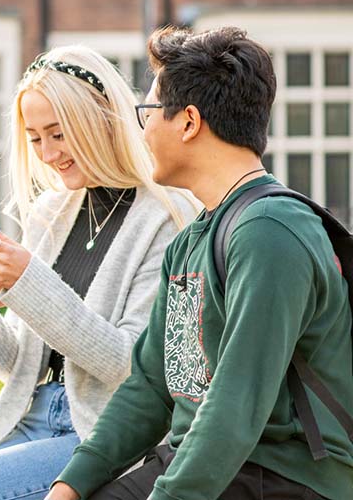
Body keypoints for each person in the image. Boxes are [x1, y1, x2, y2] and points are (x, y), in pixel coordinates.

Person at [0, 46, 197, 500]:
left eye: (58, 134)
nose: (47, 153)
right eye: (35, 138)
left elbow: (132, 367)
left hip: (97, 435)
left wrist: (30, 282)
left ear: (100, 119)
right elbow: (19, 366)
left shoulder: (164, 216)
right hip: (31, 416)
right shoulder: (51, 213)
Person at [47, 27, 353, 500]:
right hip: (205, 461)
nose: (142, 130)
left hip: (284, 474)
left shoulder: (269, 233)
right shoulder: (193, 239)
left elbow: (236, 404)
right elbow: (151, 385)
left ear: (188, 123)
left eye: (148, 112)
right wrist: (70, 485)